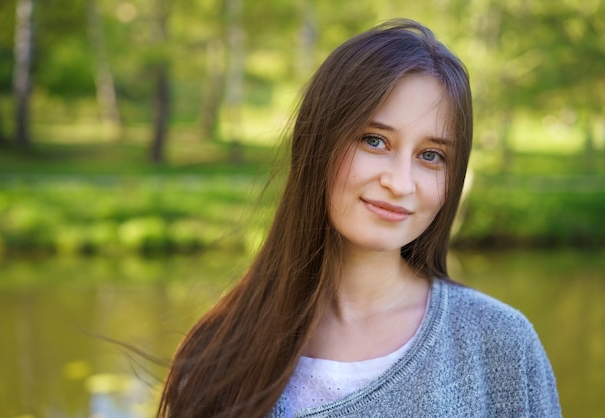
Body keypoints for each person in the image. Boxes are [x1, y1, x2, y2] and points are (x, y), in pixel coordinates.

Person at [158, 19, 561, 418]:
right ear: (319, 140)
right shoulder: (217, 353)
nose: (401, 183)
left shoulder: (499, 343)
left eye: (431, 155)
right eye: (374, 141)